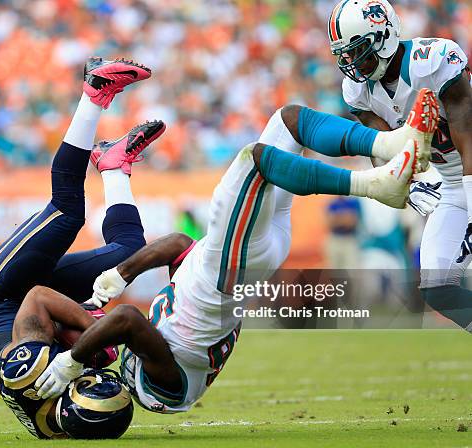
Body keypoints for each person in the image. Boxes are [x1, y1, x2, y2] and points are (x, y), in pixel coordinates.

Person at [33, 89, 437, 412]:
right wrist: (71, 361)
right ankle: (377, 184)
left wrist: (121, 274)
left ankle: (392, 141)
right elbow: (125, 320)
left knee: (288, 121)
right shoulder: (167, 386)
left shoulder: (176, 335)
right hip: (228, 268)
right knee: (255, 160)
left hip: (241, 258)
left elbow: (175, 245)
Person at [0, 56, 165, 437]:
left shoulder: (28, 373)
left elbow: (39, 298)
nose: (96, 377)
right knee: (130, 251)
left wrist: (89, 326)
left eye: (91, 383)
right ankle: (113, 165)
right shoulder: (55, 427)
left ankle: (94, 93)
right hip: (35, 308)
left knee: (67, 211)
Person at [328, 0, 472, 331]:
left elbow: (468, 132)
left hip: (468, 176)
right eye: (345, 55)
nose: (352, 62)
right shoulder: (358, 89)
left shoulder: (432, 60)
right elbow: (382, 148)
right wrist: (411, 185)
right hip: (451, 184)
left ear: (383, 35)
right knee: (438, 288)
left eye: (357, 49)